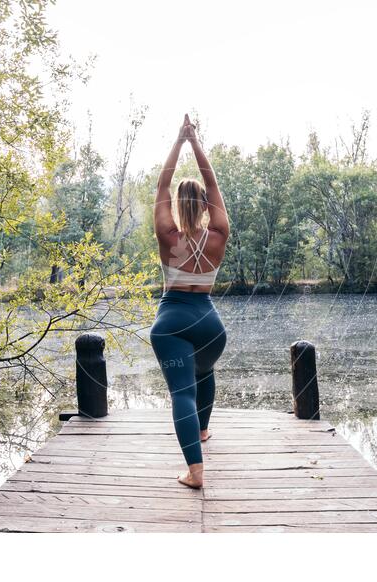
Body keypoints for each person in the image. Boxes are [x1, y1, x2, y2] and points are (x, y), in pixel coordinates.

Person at [150, 114, 229, 489]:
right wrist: (195, 142)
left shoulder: (168, 234)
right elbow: (212, 182)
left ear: (178, 205)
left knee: (183, 392)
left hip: (172, 323)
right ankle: (201, 431)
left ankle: (195, 473)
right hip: (211, 327)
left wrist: (178, 141)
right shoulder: (218, 234)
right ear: (204, 206)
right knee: (204, 372)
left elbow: (163, 184)